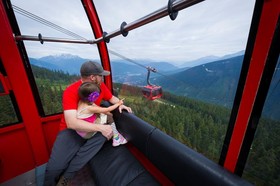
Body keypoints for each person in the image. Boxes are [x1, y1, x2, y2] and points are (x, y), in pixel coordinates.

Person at [44, 61, 132, 186]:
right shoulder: (70, 91)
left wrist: (122, 105)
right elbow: (71, 123)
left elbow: (112, 98)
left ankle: (67, 178)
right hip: (72, 131)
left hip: (93, 126)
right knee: (54, 168)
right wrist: (100, 128)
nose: (102, 78)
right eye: (100, 75)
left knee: (105, 133)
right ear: (92, 77)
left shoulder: (101, 86)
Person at [76, 82, 127, 147]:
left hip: (81, 131)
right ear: (93, 97)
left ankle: (114, 134)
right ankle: (116, 137)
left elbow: (96, 108)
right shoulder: (89, 108)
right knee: (109, 116)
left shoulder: (81, 102)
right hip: (87, 133)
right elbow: (108, 109)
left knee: (104, 114)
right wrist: (118, 103)